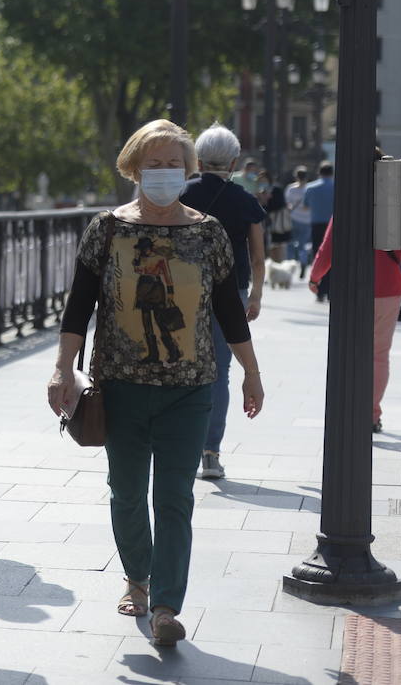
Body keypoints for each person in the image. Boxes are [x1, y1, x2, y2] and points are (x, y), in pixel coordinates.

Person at [48, 119, 263, 648]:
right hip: (120, 386)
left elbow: (230, 310)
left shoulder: (207, 231)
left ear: (189, 169)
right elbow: (79, 305)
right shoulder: (108, 228)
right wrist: (62, 367)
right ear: (134, 167)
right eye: (155, 162)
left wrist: (252, 373)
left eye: (174, 162)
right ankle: (137, 580)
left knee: (174, 497)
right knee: (125, 491)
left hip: (190, 386)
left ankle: (166, 604)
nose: (165, 171)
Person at [308, 149, 401, 434]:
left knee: (349, 353)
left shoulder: (348, 207)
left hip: (351, 289)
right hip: (388, 289)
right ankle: (372, 414)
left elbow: (327, 251)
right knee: (378, 355)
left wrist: (315, 279)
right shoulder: (398, 209)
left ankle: (349, 408)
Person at [180, 124, 266, 481]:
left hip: (181, 289)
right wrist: (257, 295)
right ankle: (211, 453)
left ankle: (179, 446)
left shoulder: (180, 194)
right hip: (230, 292)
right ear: (233, 162)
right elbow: (258, 256)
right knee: (220, 372)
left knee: (180, 366)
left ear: (197, 159)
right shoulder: (245, 201)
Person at [304, 162, 336, 301]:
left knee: (319, 253)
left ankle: (320, 289)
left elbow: (306, 206)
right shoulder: (338, 185)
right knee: (333, 256)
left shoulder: (310, 187)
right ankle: (331, 289)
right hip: (334, 224)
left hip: (316, 224)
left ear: (319, 172)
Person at [284, 166, 312, 273]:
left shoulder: (291, 188)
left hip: (293, 219)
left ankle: (289, 265)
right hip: (306, 220)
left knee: (290, 243)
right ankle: (303, 262)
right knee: (303, 244)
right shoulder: (310, 189)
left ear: (296, 176)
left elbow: (287, 204)